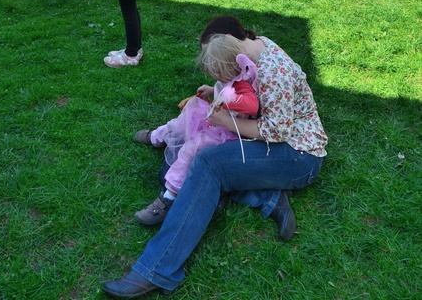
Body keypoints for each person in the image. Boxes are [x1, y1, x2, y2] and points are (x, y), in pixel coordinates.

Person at [102, 16, 328, 299]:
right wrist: (217, 93)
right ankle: (267, 197)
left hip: (298, 156)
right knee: (195, 157)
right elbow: (248, 91)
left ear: (230, 47)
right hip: (275, 146)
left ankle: (157, 269)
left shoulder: (274, 69)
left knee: (208, 162)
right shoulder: (254, 49)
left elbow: (277, 131)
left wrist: (225, 121)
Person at [134, 37, 259, 225]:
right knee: (190, 110)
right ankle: (156, 137)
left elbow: (252, 106)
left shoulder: (243, 84)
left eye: (216, 74)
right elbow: (225, 86)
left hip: (227, 134)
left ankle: (169, 196)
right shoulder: (229, 78)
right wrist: (212, 89)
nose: (215, 78)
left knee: (192, 147)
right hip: (215, 121)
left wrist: (228, 100)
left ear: (227, 68)